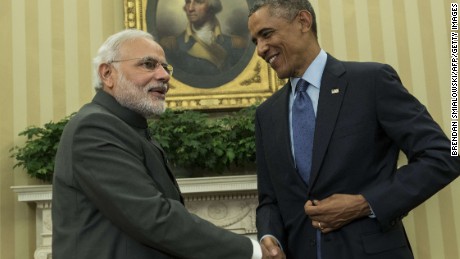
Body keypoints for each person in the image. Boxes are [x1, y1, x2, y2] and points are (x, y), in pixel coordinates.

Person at [248, 1, 460, 258]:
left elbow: (444, 156)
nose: (260, 49)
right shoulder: (266, 114)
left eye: (266, 34)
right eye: (255, 41)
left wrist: (364, 203)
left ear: (303, 22)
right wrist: (269, 237)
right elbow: (269, 200)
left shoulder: (371, 82)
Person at [52, 29, 263, 259]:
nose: (164, 76)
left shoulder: (129, 127)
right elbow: (153, 217)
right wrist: (253, 251)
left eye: (165, 67)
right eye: (149, 64)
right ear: (107, 73)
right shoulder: (94, 128)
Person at [160, 0, 248, 78]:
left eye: (198, 2)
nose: (190, 8)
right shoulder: (171, 46)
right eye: (187, 2)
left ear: (212, 7)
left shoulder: (237, 44)